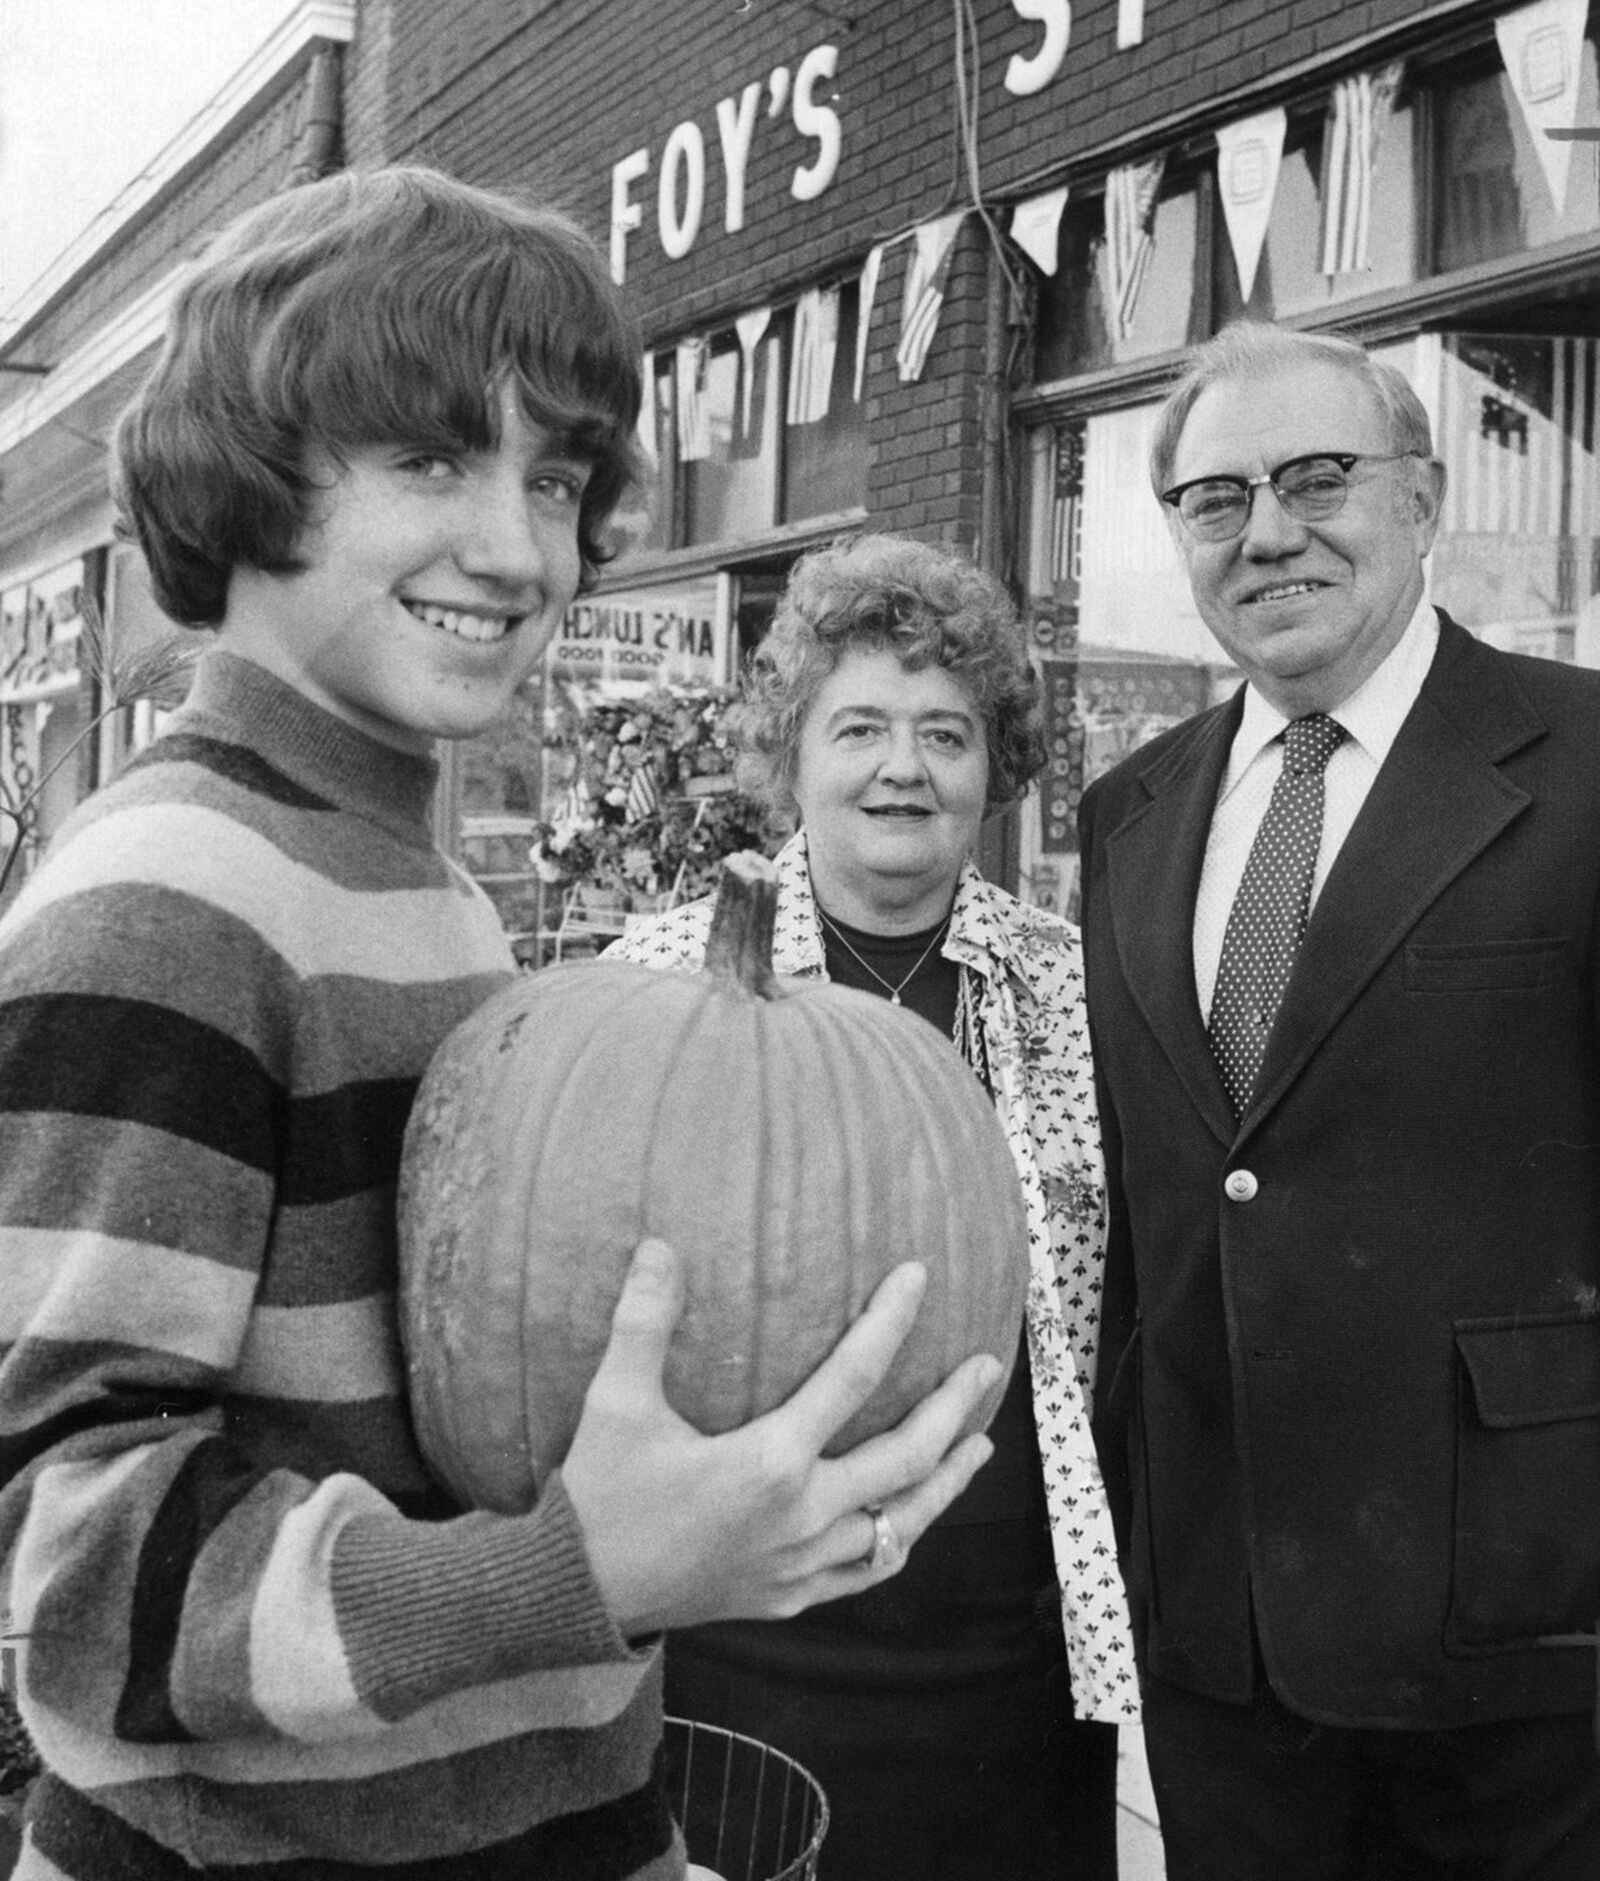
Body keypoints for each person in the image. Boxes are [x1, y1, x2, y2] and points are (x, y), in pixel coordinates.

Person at [0, 169, 1004, 1881]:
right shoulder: (174, 894)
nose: (520, 546)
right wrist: (582, 1573)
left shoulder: (414, 887)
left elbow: (489, 1422)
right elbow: (72, 1577)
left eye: (555, 476)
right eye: (432, 460)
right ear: (244, 478)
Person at [1078, 318, 1600, 1878]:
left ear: (1422, 501)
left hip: (1522, 1623)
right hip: (1221, 1625)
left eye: (1319, 479)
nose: (1272, 532)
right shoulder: (1130, 813)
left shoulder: (1583, 763)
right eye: (1219, 499)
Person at [614, 533, 1138, 1881]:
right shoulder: (657, 988)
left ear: (993, 768)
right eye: (860, 728)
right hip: (744, 1639)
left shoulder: (1070, 992)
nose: (902, 766)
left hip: (1010, 1649)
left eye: (945, 734)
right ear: (792, 753)